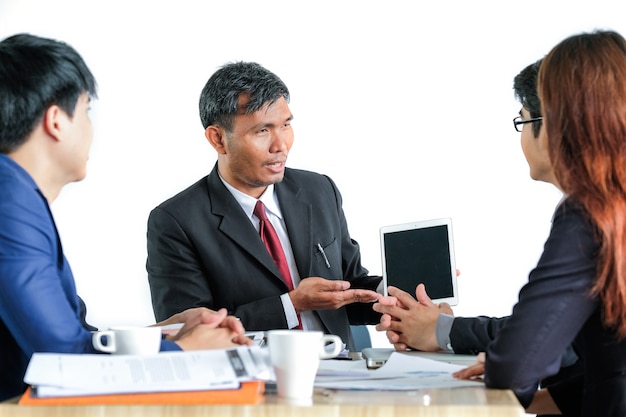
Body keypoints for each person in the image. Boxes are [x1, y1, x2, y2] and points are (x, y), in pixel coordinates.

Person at [382, 30, 626, 415]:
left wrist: (503, 366)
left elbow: (520, 362)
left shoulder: (591, 214)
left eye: (523, 121)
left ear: (556, 125)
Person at [0, 33, 250, 402]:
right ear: (56, 121)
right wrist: (186, 353)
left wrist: (167, 333)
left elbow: (74, 337)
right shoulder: (11, 205)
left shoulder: (17, 196)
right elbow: (62, 359)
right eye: (85, 110)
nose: (91, 127)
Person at [146, 61, 382, 351]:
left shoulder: (319, 190)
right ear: (218, 139)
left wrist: (398, 292)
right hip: (251, 381)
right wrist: (291, 304)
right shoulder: (176, 221)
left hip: (341, 371)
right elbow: (188, 335)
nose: (280, 145)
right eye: (262, 131)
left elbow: (351, 288)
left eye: (286, 125)